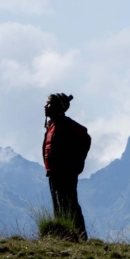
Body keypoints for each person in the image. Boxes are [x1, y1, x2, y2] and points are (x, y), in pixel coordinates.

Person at [42, 93, 91, 240]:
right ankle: (64, 236)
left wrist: (75, 166)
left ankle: (80, 237)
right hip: (53, 174)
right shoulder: (52, 125)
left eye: (49, 104)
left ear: (58, 107)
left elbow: (85, 139)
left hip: (65, 174)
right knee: (58, 205)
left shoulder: (67, 126)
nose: (45, 106)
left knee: (69, 205)